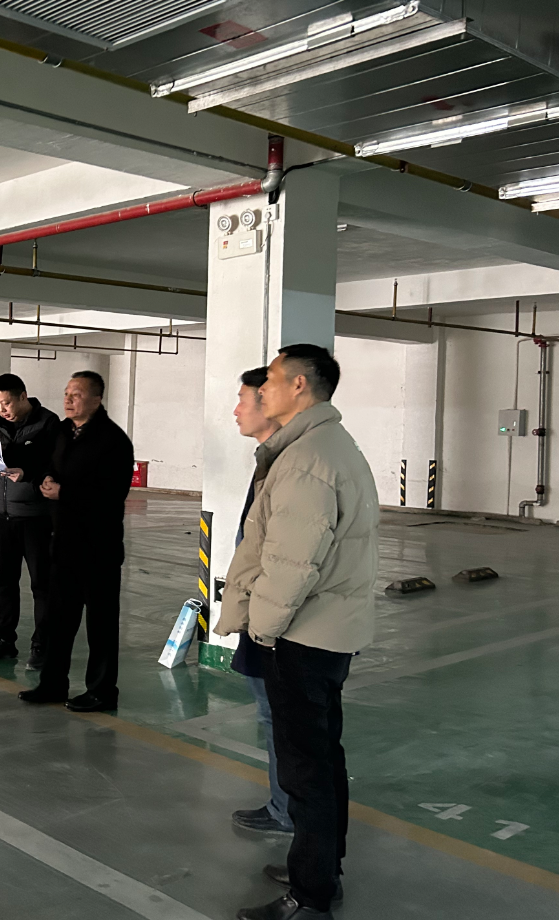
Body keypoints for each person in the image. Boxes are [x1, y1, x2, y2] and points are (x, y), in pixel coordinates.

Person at [218, 344, 378, 920]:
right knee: (322, 761)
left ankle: (310, 897)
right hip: (325, 632)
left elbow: (292, 564)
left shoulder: (307, 459)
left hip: (303, 638)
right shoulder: (324, 445)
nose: (261, 390)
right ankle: (320, 869)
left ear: (299, 387)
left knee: (306, 770)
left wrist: (261, 631)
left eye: (270, 379)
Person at [18, 371, 132, 712]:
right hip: (64, 543)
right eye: (67, 393)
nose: (68, 399)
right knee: (59, 620)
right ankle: (53, 684)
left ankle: (102, 691)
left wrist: (64, 493)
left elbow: (112, 494)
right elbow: (47, 465)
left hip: (99, 547)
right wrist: (44, 479)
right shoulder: (64, 432)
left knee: (100, 624)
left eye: (77, 394)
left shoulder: (113, 440)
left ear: (96, 399)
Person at [227, 368, 293, 837]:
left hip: (276, 619)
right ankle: (284, 805)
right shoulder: (269, 460)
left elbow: (291, 557)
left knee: (281, 718)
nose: (236, 410)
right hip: (264, 613)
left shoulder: (290, 463)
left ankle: (289, 811)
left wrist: (264, 622)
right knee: (275, 717)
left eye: (244, 399)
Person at [0, 373, 61, 668]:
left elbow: (56, 464)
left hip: (37, 517)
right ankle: (4, 639)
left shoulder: (49, 424)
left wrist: (28, 472)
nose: (2, 410)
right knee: (5, 581)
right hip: (3, 515)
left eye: (6, 403)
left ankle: (43, 645)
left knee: (42, 585)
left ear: (23, 396)